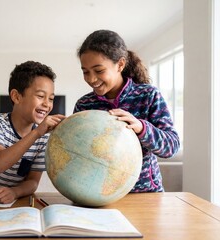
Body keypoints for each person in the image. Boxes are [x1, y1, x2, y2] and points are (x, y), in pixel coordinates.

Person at [74, 30, 180, 192]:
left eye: (99, 70)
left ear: (120, 65)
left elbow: (171, 147)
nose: (91, 79)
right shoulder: (84, 104)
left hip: (145, 195)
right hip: (98, 195)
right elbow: (78, 154)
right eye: (85, 71)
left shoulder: (148, 95)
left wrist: (142, 128)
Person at [0, 60, 66, 203]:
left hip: (11, 201)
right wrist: (36, 133)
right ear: (16, 96)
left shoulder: (43, 138)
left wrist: (14, 192)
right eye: (40, 96)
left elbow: (33, 181)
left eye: (51, 99)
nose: (47, 104)